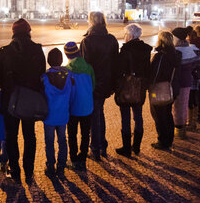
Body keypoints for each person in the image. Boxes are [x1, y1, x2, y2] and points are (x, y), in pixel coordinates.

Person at [0, 18, 46, 184]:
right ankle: (29, 169)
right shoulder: (37, 50)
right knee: (29, 135)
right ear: (28, 31)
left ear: (13, 33)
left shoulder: (4, 52)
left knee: (11, 136)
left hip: (10, 100)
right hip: (30, 99)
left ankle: (15, 170)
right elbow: (41, 74)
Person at [79, 11, 119, 161]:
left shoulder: (88, 41)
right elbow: (116, 63)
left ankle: (95, 148)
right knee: (99, 112)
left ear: (91, 22)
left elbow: (84, 66)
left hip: (92, 83)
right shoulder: (111, 39)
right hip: (107, 82)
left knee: (94, 115)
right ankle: (102, 144)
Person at [114, 24, 152, 156]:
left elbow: (119, 70)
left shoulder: (126, 50)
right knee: (138, 117)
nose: (124, 37)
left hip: (126, 87)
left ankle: (126, 148)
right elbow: (148, 70)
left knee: (125, 117)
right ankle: (136, 146)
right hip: (140, 87)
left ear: (130, 35)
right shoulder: (146, 49)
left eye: (125, 34)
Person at [65, 42, 94, 170]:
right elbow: (93, 86)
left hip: (73, 107)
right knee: (85, 133)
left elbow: (66, 90)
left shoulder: (68, 70)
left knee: (72, 133)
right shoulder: (89, 67)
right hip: (87, 106)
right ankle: (82, 157)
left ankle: (73, 158)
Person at [42, 48, 72, 178]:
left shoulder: (44, 77)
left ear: (48, 61)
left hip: (49, 115)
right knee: (62, 140)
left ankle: (50, 166)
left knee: (49, 141)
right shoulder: (68, 76)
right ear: (61, 60)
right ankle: (61, 166)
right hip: (63, 114)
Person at [149, 31, 181, 149]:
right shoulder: (176, 54)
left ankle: (162, 141)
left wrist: (149, 85)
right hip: (172, 88)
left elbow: (155, 74)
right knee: (167, 114)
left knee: (159, 116)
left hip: (160, 89)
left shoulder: (161, 56)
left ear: (161, 40)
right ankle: (169, 139)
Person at [173, 27, 200, 136]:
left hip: (179, 81)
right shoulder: (189, 48)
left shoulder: (178, 50)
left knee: (178, 106)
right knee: (184, 104)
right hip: (187, 81)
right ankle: (183, 126)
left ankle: (179, 130)